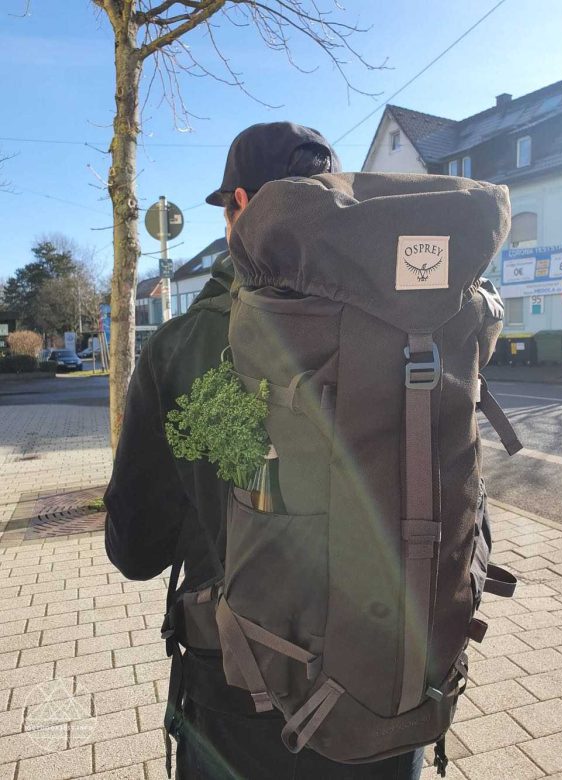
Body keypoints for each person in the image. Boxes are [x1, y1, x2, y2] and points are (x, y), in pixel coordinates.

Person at [104, 121, 424, 780]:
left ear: (244, 206)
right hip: (391, 690)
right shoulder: (414, 324)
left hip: (242, 702)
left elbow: (137, 552)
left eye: (226, 207)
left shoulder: (182, 348)